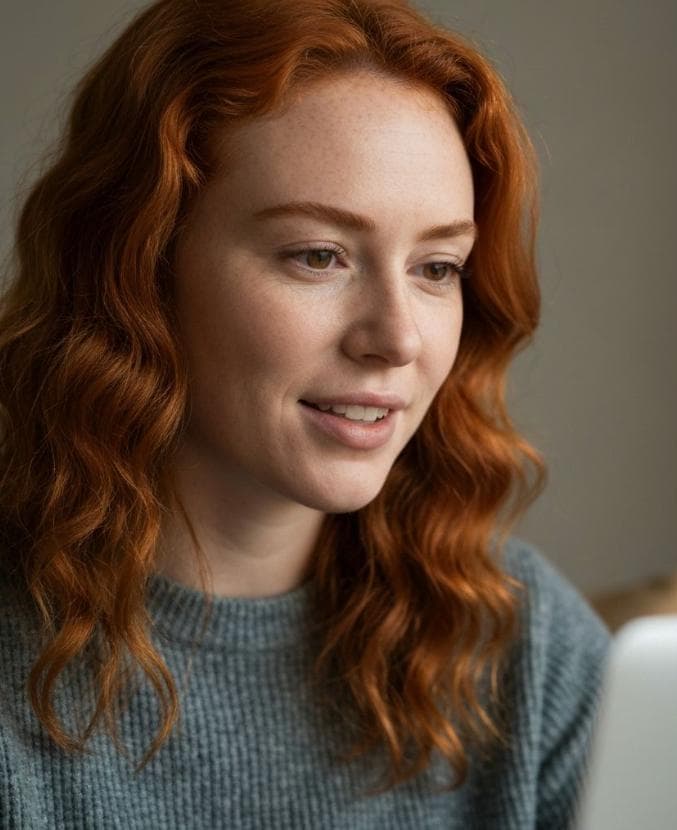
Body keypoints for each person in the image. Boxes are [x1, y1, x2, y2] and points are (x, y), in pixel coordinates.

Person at [0, 1, 610, 827]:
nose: (396, 338)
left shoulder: (522, 647)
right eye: (317, 255)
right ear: (139, 268)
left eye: (437, 267)